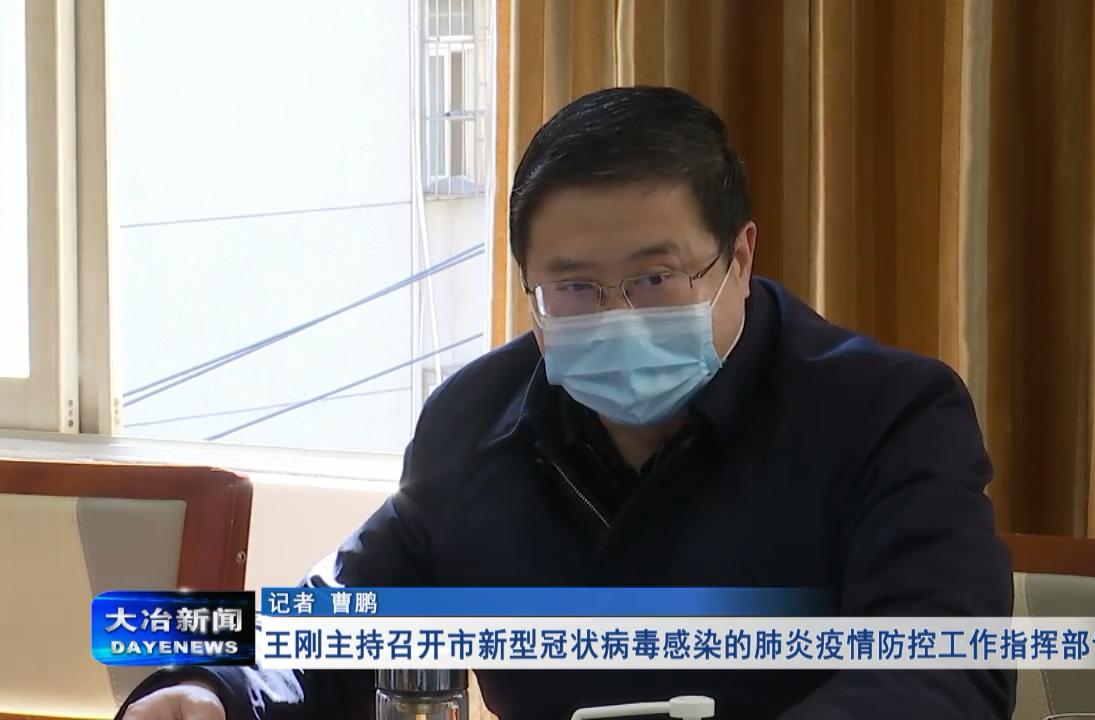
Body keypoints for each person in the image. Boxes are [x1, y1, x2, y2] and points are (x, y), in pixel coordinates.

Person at [118, 86, 1014, 720]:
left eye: (655, 277)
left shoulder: (888, 416)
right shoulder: (473, 423)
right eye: (575, 287)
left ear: (740, 257)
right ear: (529, 290)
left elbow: (942, 675)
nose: (617, 316)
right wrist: (212, 691)